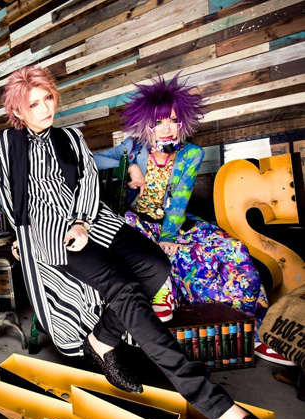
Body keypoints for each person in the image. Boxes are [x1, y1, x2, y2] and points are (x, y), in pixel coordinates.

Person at [0, 66, 287, 419]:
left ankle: (101, 339)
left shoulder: (71, 137)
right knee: (123, 288)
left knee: (156, 265)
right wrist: (22, 236)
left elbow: (88, 181)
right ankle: (221, 408)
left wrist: (82, 220)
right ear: (18, 110)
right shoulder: (6, 144)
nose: (45, 108)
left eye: (47, 98)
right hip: (50, 232)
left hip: (91, 218)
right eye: (34, 104)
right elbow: (11, 195)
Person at [93, 75, 268, 329]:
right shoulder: (133, 147)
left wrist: (168, 236)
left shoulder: (191, 154)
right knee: (144, 248)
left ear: (181, 122)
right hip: (136, 222)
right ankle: (163, 293)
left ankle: (245, 321)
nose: (167, 128)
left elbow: (179, 200)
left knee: (232, 249)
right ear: (147, 124)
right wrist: (129, 166)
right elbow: (93, 160)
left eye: (173, 120)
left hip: (172, 224)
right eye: (158, 122)